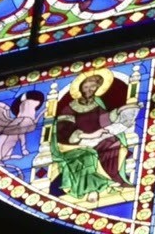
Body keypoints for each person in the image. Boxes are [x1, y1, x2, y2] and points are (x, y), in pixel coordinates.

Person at [51, 70, 137, 203]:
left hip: (97, 139)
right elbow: (64, 130)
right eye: (86, 86)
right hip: (74, 143)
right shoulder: (70, 107)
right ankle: (92, 189)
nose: (89, 89)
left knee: (117, 146)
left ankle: (115, 179)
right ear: (80, 88)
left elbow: (104, 119)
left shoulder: (97, 103)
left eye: (93, 87)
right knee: (88, 154)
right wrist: (88, 136)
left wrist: (119, 111)